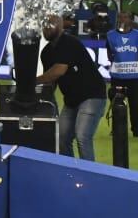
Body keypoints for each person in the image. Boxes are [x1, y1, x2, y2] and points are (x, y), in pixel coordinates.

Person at [37, 14, 107, 162]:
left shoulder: (69, 43)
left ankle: (89, 174)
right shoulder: (46, 52)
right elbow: (51, 82)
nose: (46, 29)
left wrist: (32, 81)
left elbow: (59, 70)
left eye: (50, 25)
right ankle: (71, 171)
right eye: (44, 26)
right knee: (61, 137)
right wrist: (42, 101)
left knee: (82, 135)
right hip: (72, 100)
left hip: (92, 95)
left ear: (60, 26)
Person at [105, 11, 138, 139]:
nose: (122, 19)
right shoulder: (110, 35)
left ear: (131, 19)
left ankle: (136, 130)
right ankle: (116, 129)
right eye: (120, 16)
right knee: (116, 103)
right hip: (117, 76)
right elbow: (109, 54)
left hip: (133, 76)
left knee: (135, 105)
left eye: (125, 16)